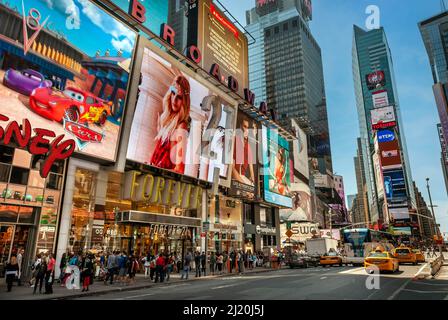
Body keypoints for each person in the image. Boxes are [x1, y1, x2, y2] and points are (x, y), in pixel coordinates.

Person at [150, 75, 191, 174]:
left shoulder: (181, 126)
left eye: (179, 97)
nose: (174, 100)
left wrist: (155, 171)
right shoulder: (167, 121)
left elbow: (179, 170)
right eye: (173, 93)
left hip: (162, 184)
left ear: (184, 101)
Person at [232, 118, 255, 186]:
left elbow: (251, 168)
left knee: (252, 192)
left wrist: (252, 181)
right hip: (234, 177)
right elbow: (231, 169)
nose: (246, 130)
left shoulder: (248, 146)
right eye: (245, 126)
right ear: (240, 126)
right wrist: (244, 186)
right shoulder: (235, 140)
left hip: (241, 177)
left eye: (248, 128)